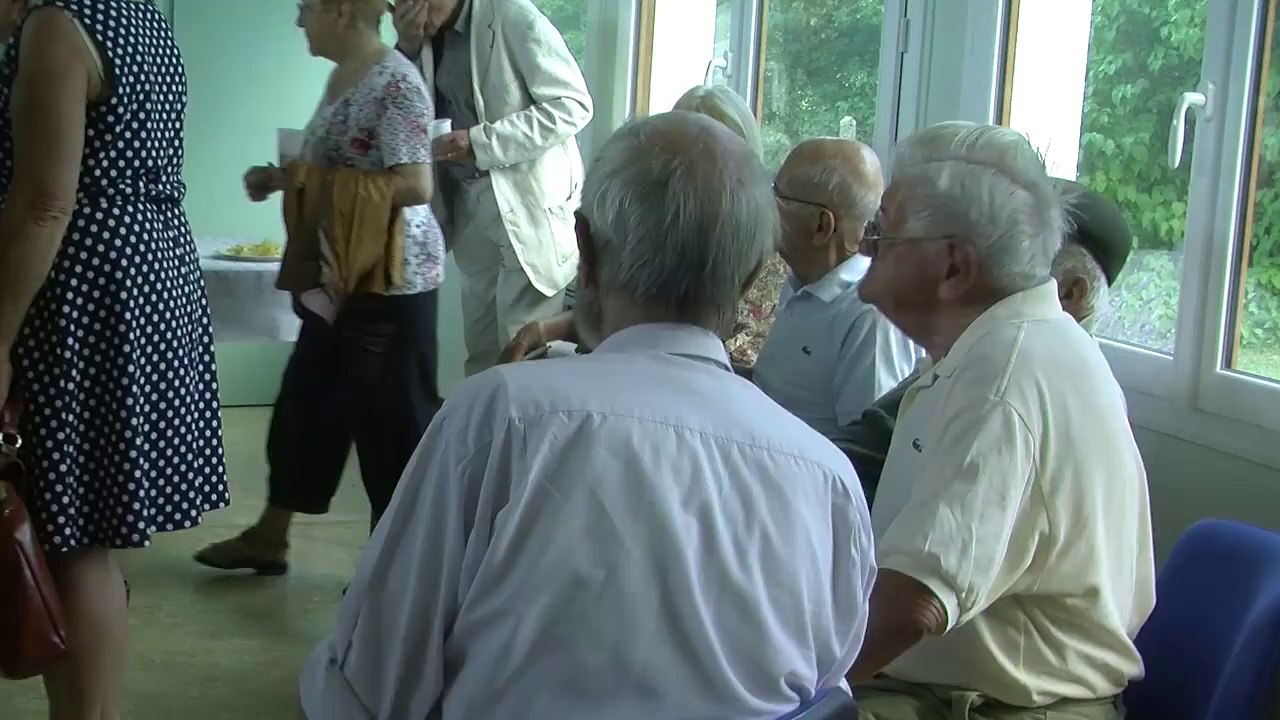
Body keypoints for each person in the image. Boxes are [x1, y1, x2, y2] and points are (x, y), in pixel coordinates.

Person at [299, 112, 876, 720]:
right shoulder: (827, 476)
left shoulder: (500, 420)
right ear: (755, 274)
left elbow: (369, 687)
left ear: (586, 250)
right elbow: (828, 688)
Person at [847, 122, 1155, 720]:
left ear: (954, 266)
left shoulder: (1004, 373)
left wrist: (798, 684)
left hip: (998, 708)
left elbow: (915, 603)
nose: (864, 246)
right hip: (953, 691)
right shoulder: (1013, 344)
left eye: (884, 232)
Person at [0, 0, 228, 716]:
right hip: (140, 275)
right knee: (81, 535)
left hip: (78, 292)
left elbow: (44, 202)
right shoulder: (136, 14)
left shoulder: (59, 27)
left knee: (70, 538)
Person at [195, 0, 444, 575]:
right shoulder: (343, 76)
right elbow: (348, 168)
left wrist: (308, 181)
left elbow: (415, 184)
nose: (298, 21)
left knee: (391, 428)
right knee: (307, 406)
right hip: (342, 276)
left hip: (392, 282)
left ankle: (397, 572)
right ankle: (269, 536)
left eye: (305, 8)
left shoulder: (396, 83)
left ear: (340, 10)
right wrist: (285, 179)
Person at [837, 179, 1134, 503]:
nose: (983, 271)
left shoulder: (1017, 375)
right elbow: (873, 440)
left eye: (1016, 261)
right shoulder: (993, 348)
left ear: (1069, 293)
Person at [499, 84, 786, 364]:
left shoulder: (762, 252)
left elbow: (678, 333)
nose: (691, 168)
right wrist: (549, 328)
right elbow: (641, 313)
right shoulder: (655, 224)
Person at [392, 0, 592, 376]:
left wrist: (481, 143)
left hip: (527, 203)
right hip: (467, 205)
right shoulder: (420, 37)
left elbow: (573, 105)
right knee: (481, 352)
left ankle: (522, 434)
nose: (406, 7)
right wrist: (407, 47)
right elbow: (395, 106)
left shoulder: (514, 17)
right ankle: (481, 433)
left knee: (522, 350)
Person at [744, 138, 918, 440]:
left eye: (778, 195)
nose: (766, 205)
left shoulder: (870, 318)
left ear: (822, 226)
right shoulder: (803, 281)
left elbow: (868, 451)